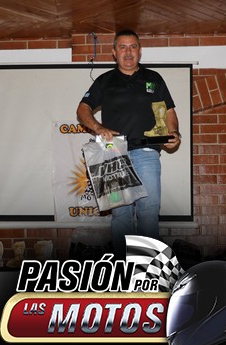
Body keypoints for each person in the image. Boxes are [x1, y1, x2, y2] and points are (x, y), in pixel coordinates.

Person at [76, 29, 181, 259]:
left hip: (147, 152)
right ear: (114, 52)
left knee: (149, 211)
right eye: (122, 47)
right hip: (114, 154)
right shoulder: (104, 80)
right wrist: (98, 128)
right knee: (121, 214)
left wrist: (173, 133)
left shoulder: (154, 78)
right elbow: (82, 109)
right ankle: (124, 267)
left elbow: (169, 111)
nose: (128, 52)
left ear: (139, 50)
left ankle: (148, 268)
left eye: (133, 46)